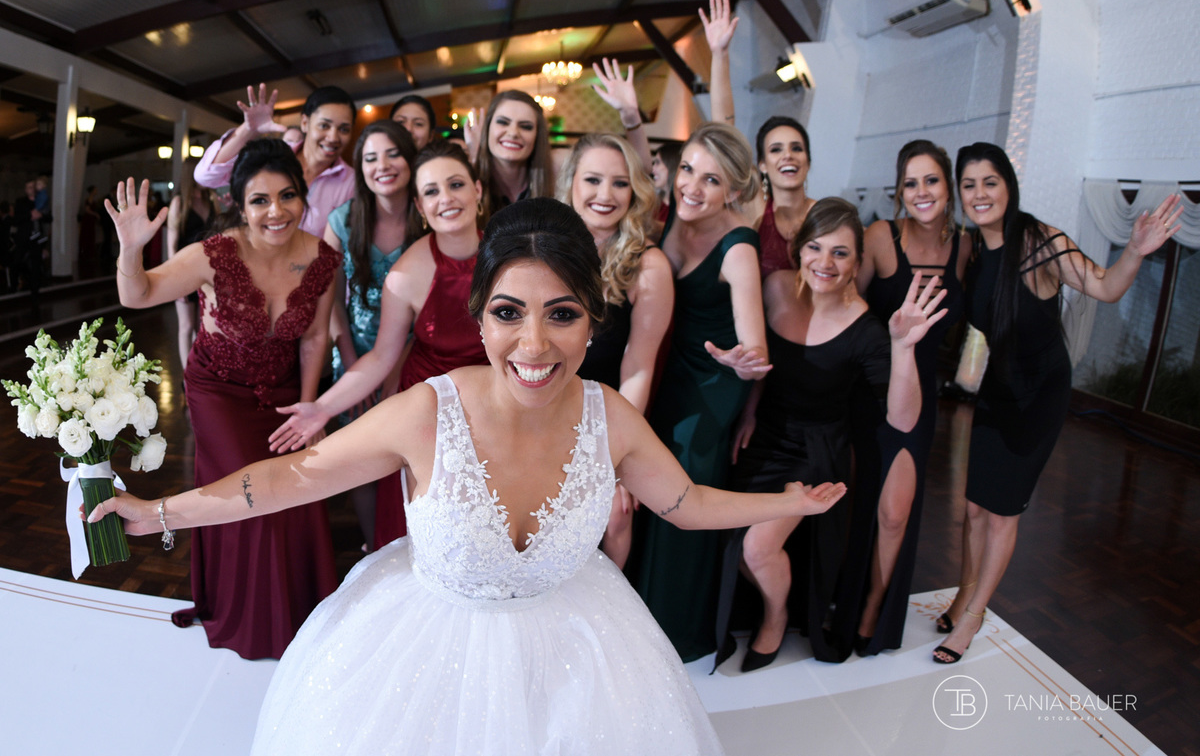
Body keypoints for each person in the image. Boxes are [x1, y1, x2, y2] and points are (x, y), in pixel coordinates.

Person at [89, 197, 846, 755]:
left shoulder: (607, 414)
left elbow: (684, 501)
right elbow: (284, 480)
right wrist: (158, 514)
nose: (533, 343)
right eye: (510, 312)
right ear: (481, 317)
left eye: (562, 314)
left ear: (593, 322)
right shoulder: (427, 412)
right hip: (423, 656)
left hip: (582, 661)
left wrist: (787, 501)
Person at [933, 142, 1182, 664]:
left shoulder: (1040, 242)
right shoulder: (971, 249)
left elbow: (1105, 287)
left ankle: (975, 616)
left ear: (1008, 185)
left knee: (1001, 514)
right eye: (969, 185)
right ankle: (962, 594)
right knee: (974, 509)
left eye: (990, 182)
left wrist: (1134, 250)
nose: (980, 194)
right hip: (996, 393)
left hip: (1038, 396)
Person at [107, 139, 340, 659]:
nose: (275, 211)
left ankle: (300, 613)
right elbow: (137, 294)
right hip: (219, 391)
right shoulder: (212, 255)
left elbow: (314, 338)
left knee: (297, 485)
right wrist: (130, 248)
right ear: (239, 204)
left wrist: (309, 411)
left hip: (283, 393)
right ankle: (253, 621)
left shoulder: (324, 259)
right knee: (249, 496)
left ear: (304, 198)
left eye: (287, 196)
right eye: (260, 200)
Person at [718, 197, 945, 668]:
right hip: (765, 438)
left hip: (817, 453)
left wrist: (903, 348)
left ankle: (775, 618)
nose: (825, 263)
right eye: (816, 248)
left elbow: (903, 420)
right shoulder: (777, 287)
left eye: (840, 253)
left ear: (858, 262)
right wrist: (750, 409)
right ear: (799, 250)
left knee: (757, 548)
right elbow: (769, 365)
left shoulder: (865, 329)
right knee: (730, 542)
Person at [270, 140, 488, 551]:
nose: (447, 199)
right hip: (429, 410)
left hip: (495, 406)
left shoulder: (509, 254)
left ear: (478, 190)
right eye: (431, 192)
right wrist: (321, 407)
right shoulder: (407, 274)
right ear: (421, 209)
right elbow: (382, 356)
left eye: (456, 184)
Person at [629, 121, 770, 662]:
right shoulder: (673, 213)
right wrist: (630, 121)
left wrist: (742, 360)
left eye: (710, 180)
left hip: (711, 387)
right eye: (687, 170)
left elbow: (755, 350)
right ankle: (639, 610)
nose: (692, 186)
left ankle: (674, 631)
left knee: (680, 492)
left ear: (733, 190)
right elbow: (642, 172)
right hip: (667, 366)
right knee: (647, 480)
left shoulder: (738, 251)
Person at [850, 140, 970, 656]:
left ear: (948, 187)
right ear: (900, 191)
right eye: (911, 182)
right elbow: (846, 304)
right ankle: (840, 597)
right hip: (865, 386)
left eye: (932, 181)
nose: (922, 192)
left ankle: (875, 606)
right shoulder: (880, 236)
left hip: (920, 397)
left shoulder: (965, 248)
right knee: (852, 501)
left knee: (895, 513)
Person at [557, 133, 674, 568]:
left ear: (635, 191)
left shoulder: (648, 266)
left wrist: (615, 452)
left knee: (614, 514)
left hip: (602, 413)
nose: (605, 195)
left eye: (620, 183)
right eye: (593, 180)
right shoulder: (545, 250)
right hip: (539, 402)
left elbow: (639, 367)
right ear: (571, 183)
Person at [323, 120, 421, 548]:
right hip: (355, 352)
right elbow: (327, 303)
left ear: (410, 159)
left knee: (408, 456)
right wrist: (350, 365)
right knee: (362, 457)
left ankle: (413, 543)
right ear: (359, 169)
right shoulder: (343, 221)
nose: (382, 165)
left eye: (392, 153)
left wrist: (394, 371)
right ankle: (373, 547)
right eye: (370, 158)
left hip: (416, 352)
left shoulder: (429, 216)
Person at [195, 83, 356, 238]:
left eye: (344, 129)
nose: (333, 137)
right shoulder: (272, 157)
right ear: (305, 123)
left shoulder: (352, 182)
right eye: (324, 126)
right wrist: (248, 130)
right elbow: (206, 177)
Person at [472, 89, 554, 217]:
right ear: (487, 128)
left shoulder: (555, 176)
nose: (513, 132)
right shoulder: (468, 182)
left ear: (537, 136)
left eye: (525, 126)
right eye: (503, 122)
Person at [754, 118, 816, 278]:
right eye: (776, 150)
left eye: (796, 148)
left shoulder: (825, 215)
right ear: (763, 165)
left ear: (808, 162)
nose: (788, 155)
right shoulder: (756, 220)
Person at [165, 174, 216, 369]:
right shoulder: (179, 202)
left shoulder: (209, 200)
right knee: (186, 326)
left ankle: (199, 372)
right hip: (185, 271)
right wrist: (175, 280)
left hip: (207, 272)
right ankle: (187, 375)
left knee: (202, 327)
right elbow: (172, 246)